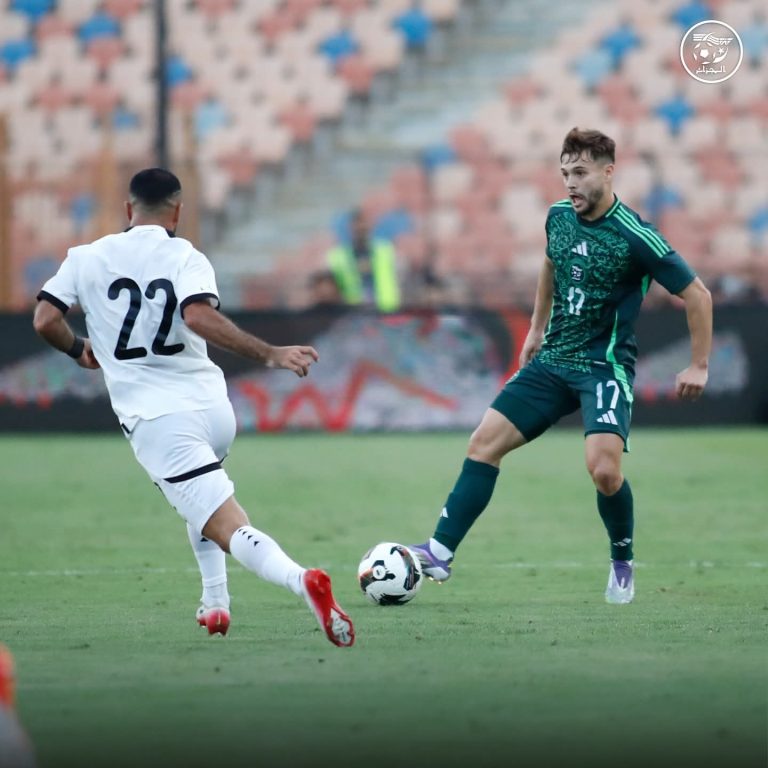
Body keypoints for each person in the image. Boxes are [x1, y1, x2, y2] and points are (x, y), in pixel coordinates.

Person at [32, 168, 354, 647]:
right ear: (177, 211)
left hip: (158, 420)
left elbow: (45, 319)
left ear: (128, 209)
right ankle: (215, 601)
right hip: (213, 409)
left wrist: (78, 348)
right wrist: (269, 353)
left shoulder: (86, 257)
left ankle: (301, 579)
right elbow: (198, 314)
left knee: (224, 522)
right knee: (201, 503)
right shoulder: (186, 255)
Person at [411, 128, 712, 604]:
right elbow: (551, 264)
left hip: (603, 367)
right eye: (565, 173)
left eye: (580, 172)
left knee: (604, 471)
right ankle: (439, 552)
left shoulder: (635, 235)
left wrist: (698, 364)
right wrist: (536, 328)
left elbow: (697, 294)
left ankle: (622, 560)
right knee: (483, 443)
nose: (570, 182)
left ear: (608, 172)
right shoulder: (558, 217)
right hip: (553, 359)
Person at [327, 208, 401, 312]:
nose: (360, 228)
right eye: (357, 225)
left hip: (386, 307)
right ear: (350, 228)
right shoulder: (338, 256)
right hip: (354, 310)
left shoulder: (385, 249)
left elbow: (399, 277)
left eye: (363, 224)